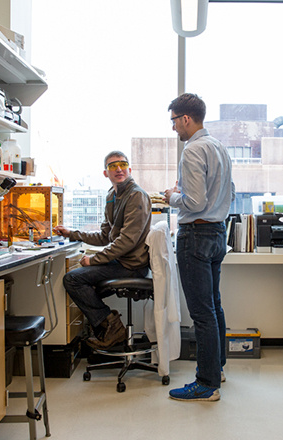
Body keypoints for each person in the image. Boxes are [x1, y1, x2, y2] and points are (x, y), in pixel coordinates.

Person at [164, 93, 234, 402]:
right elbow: (228, 191)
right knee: (214, 306)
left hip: (195, 235)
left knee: (202, 313)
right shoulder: (219, 148)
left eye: (174, 122)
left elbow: (194, 202)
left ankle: (206, 384)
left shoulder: (192, 151)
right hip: (218, 232)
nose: (174, 129)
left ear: (186, 119)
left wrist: (171, 196)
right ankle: (216, 368)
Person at [54, 151, 152, 350]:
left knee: (73, 279)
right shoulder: (112, 196)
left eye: (122, 164)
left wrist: (94, 260)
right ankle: (107, 329)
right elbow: (105, 236)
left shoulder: (136, 196)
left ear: (129, 169)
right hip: (121, 262)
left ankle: (112, 329)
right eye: (112, 166)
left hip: (132, 266)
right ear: (105, 173)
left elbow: (127, 241)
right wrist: (72, 234)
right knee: (80, 280)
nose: (118, 169)